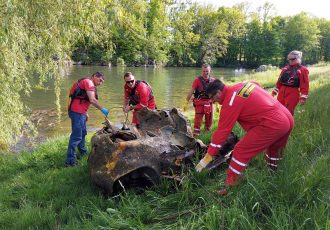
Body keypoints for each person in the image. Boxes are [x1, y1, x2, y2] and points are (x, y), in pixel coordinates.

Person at [195, 79, 294, 195]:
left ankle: (230, 186)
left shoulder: (230, 102)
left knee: (240, 150)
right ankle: (273, 175)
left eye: (212, 98)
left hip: (273, 124)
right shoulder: (243, 84)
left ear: (218, 93)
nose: (212, 101)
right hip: (286, 117)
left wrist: (208, 156)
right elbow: (256, 83)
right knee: (274, 149)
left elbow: (222, 132)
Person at [65, 72, 109, 167]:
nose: (100, 83)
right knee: (76, 136)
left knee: (83, 132)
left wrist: (85, 113)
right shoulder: (88, 82)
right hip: (77, 112)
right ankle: (70, 161)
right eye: (100, 80)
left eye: (102, 82)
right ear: (94, 76)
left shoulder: (87, 82)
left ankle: (83, 152)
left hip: (81, 112)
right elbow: (92, 100)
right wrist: (102, 109)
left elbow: (83, 99)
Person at [272, 50, 309, 115]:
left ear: (298, 59)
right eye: (289, 59)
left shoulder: (302, 70)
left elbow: (305, 85)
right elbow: (279, 82)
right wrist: (274, 92)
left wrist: (303, 97)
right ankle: (280, 124)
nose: (290, 61)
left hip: (293, 93)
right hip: (281, 92)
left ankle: (289, 125)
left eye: (292, 59)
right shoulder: (285, 68)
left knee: (288, 112)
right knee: (279, 110)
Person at [185, 64, 215, 136]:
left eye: (207, 71)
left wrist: (216, 105)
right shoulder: (197, 80)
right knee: (197, 122)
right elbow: (191, 91)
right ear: (202, 71)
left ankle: (206, 134)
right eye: (204, 71)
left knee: (209, 122)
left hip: (209, 103)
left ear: (210, 71)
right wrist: (185, 103)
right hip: (199, 103)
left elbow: (215, 93)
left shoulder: (213, 81)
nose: (205, 73)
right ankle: (195, 136)